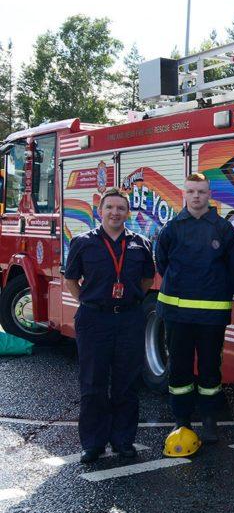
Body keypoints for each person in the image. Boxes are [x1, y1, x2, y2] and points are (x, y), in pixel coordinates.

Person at [63, 188, 156, 463]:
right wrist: (92, 302)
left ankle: (123, 440)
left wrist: (126, 301)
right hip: (94, 319)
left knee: (127, 383)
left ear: (128, 213)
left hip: (128, 318)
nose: (115, 213)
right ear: (100, 211)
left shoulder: (141, 243)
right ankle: (93, 443)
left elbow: (147, 280)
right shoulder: (83, 242)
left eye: (120, 208)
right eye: (110, 207)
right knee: (93, 382)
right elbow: (71, 279)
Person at [155, 173, 234, 445]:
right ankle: (181, 420)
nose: (196, 196)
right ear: (184, 193)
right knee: (178, 369)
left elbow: (232, 266)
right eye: (191, 191)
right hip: (177, 314)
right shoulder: (172, 228)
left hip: (211, 315)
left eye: (201, 192)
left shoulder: (223, 229)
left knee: (209, 371)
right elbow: (162, 263)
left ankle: (209, 421)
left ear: (209, 194)